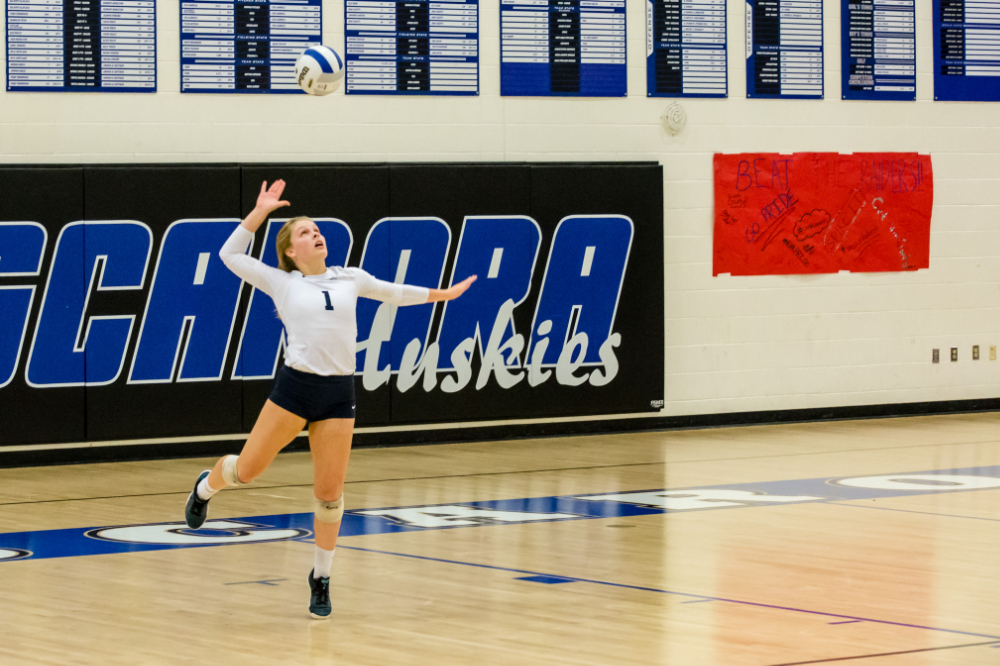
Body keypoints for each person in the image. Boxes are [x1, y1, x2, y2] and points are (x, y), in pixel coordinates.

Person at [184, 180, 476, 619]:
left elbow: (394, 292)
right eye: (304, 232)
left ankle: (321, 578)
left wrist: (443, 295)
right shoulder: (282, 282)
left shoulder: (350, 278)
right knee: (247, 470)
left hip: (339, 393)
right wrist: (260, 212)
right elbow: (229, 256)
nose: (315, 234)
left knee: (329, 494)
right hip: (294, 390)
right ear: (290, 252)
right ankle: (206, 486)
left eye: (316, 229)